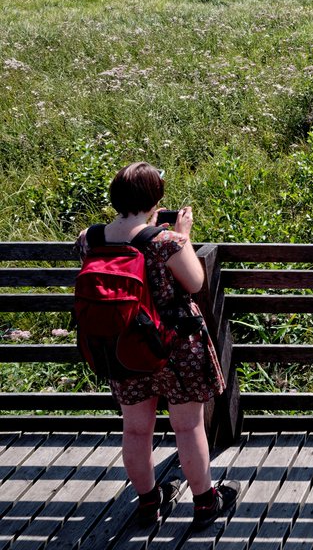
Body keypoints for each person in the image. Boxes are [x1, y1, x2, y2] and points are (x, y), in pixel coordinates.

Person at [75, 161, 237, 529]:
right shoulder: (166, 242)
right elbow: (194, 282)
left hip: (122, 346)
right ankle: (205, 502)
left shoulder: (90, 238)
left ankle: (148, 503)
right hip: (175, 347)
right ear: (155, 199)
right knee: (188, 427)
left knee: (134, 429)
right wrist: (184, 234)